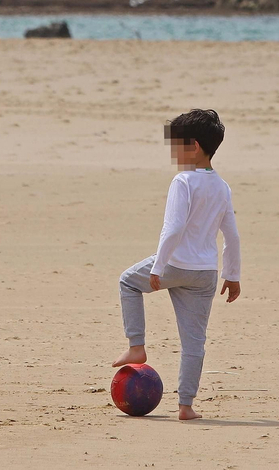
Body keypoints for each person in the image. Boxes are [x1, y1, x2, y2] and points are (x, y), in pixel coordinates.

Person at [111, 108, 242, 421]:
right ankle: (186, 406)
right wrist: (232, 275)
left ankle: (136, 346)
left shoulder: (183, 181)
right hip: (205, 273)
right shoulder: (222, 186)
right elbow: (232, 235)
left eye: (176, 146)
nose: (173, 153)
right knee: (194, 342)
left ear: (193, 146)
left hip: (175, 263)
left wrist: (159, 266)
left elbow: (173, 228)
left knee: (128, 281)